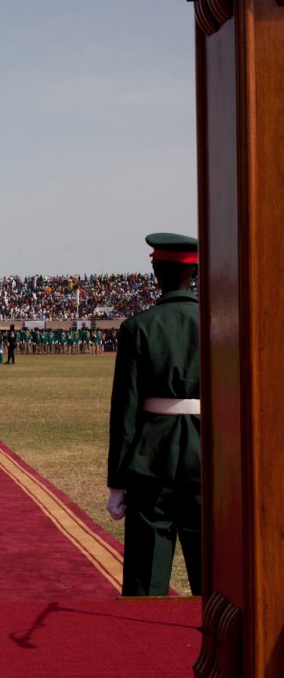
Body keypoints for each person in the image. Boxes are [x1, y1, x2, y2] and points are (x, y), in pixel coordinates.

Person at [106, 232, 201, 597]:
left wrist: (117, 482)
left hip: (151, 461)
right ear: (192, 274)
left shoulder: (138, 327)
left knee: (145, 580)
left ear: (156, 274)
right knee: (215, 583)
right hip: (206, 459)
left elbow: (125, 410)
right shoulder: (219, 322)